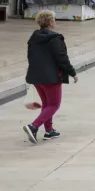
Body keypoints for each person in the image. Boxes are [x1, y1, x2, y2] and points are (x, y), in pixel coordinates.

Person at [22, 10, 77, 144]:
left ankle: (49, 130)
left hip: (36, 76)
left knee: (47, 104)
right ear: (51, 22)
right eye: (54, 20)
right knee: (54, 104)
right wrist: (72, 72)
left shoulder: (33, 37)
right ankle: (33, 126)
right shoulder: (55, 38)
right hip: (51, 77)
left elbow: (30, 56)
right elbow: (62, 58)